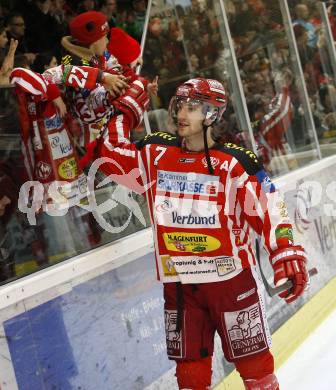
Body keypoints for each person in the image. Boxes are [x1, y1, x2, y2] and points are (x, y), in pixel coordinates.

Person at [90, 78, 309, 389]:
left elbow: (271, 208)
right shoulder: (155, 153)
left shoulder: (235, 161)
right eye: (179, 104)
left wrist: (285, 251)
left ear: (213, 114)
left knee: (255, 366)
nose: (182, 112)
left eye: (192, 107)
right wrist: (125, 111)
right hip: (180, 285)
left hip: (230, 282)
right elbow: (111, 158)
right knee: (189, 372)